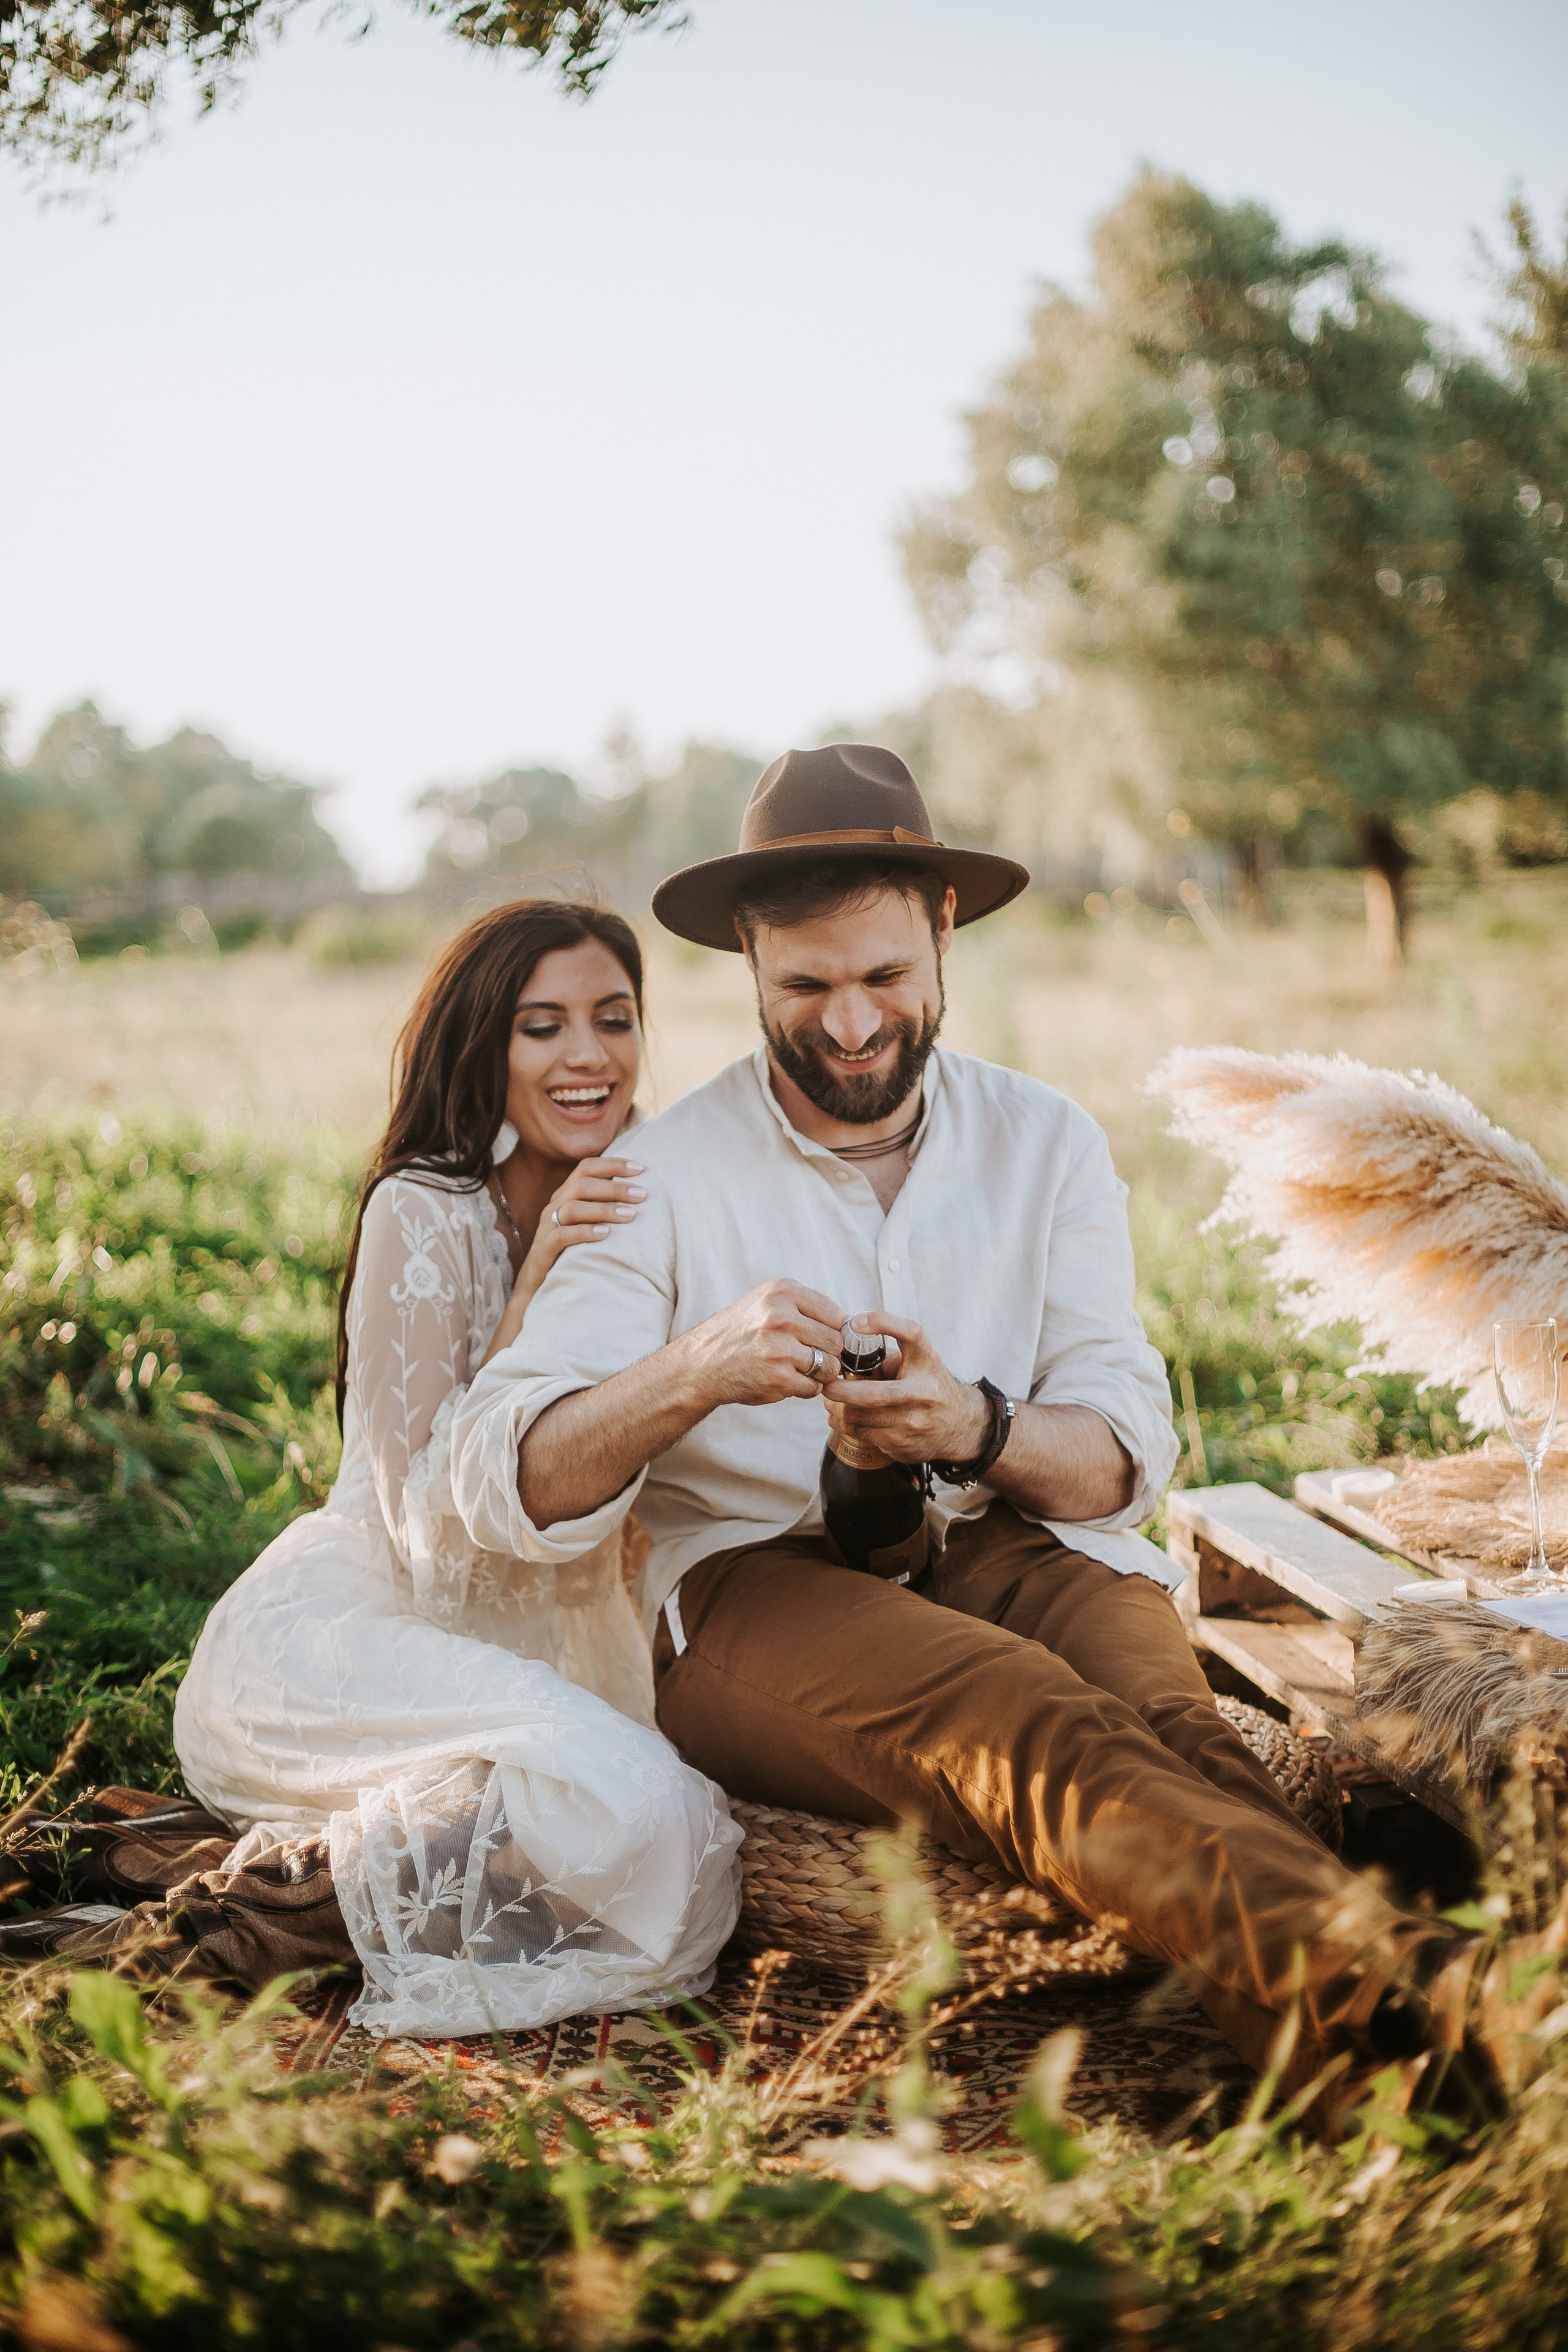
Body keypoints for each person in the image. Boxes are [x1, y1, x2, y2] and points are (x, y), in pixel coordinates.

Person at [447, 744, 1523, 2125]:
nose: (847, 1026)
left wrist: (972, 1422)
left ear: (943, 936)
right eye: (805, 989)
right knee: (1015, 1718)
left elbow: (1126, 1449)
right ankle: (1465, 2006)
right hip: (751, 1589)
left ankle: (1369, 2082)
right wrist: (695, 1367)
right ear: (748, 963)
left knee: (1174, 1737)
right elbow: (502, 1474)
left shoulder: (1047, 1141)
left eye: (884, 979)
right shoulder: (654, 1177)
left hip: (1011, 1530)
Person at [0, 900, 741, 2035]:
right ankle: (191, 1933)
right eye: (541, 1027)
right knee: (636, 1816)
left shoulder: (655, 1197)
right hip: (382, 1626)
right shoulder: (428, 1209)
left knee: (640, 1821)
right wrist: (536, 1279)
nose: (588, 1055)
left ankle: (221, 1866)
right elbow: (425, 1523)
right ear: (484, 1043)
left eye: (614, 1018)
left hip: (572, 1630)